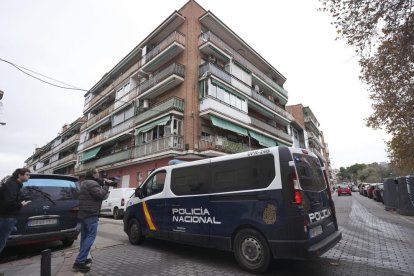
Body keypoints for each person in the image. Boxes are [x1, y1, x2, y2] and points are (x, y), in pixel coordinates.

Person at [73, 168, 116, 273]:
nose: (99, 174)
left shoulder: (83, 183)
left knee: (84, 237)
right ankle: (79, 262)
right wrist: (106, 185)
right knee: (91, 236)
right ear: (93, 174)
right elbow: (101, 195)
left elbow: (98, 196)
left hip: (83, 213)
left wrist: (104, 186)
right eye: (97, 172)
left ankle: (83, 257)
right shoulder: (92, 183)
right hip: (90, 213)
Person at [0, 168, 32, 254]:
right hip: (6, 217)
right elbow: (8, 203)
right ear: (19, 175)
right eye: (27, 174)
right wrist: (21, 204)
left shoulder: (14, 184)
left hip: (7, 217)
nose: (29, 176)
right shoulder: (12, 185)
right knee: (1, 242)